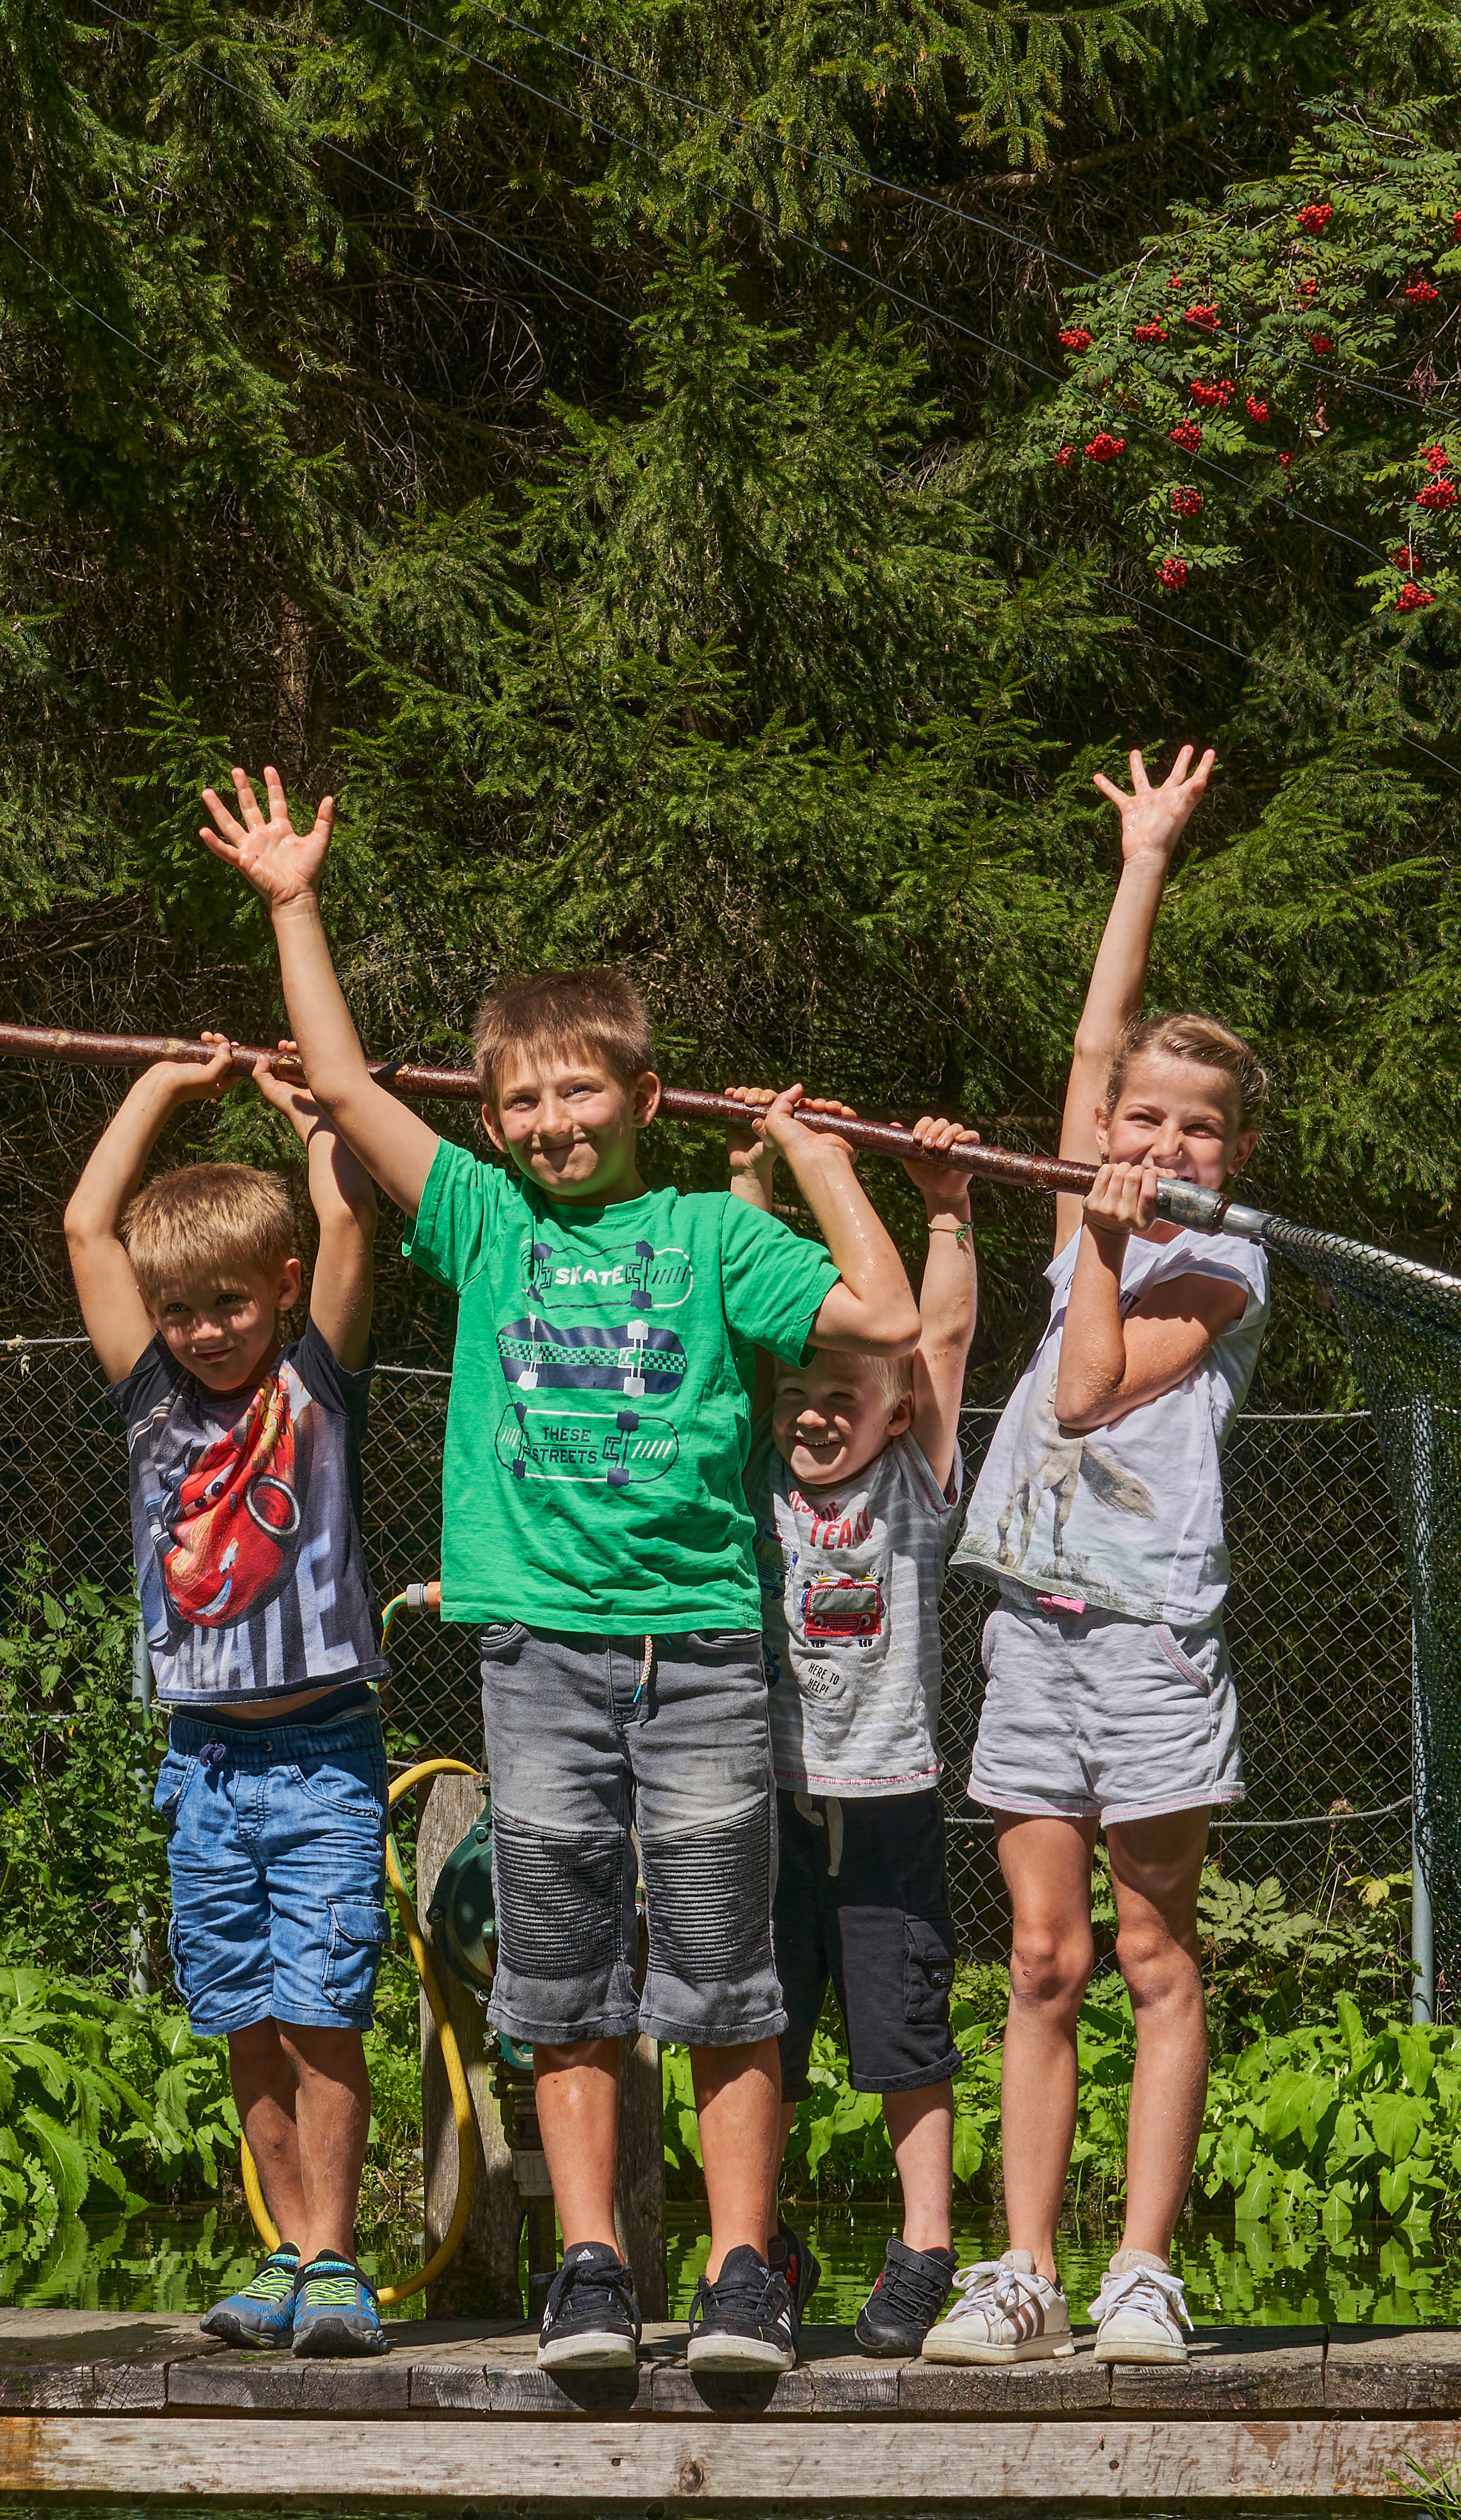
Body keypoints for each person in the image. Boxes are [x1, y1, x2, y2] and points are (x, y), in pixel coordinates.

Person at [198, 764, 921, 2378]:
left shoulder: (713, 1239)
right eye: (520, 1103)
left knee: (723, 1967)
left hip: (703, 1651)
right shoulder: (481, 1220)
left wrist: (813, 1158)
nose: (550, 1125)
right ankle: (588, 2267)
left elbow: (879, 1317)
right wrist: (293, 899)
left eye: (579, 1094)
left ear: (644, 1097)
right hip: (537, 1653)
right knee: (560, 1967)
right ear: (491, 1122)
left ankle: (741, 2273)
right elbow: (337, 1080)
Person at [926, 744, 1271, 2370]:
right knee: (1039, 1955)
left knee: (1148, 1949)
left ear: (1233, 1152)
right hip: (1032, 1627)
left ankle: (1141, 2267)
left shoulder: (1223, 1265)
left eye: (1200, 1126)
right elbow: (1089, 1040)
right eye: (1143, 1117)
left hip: (1150, 1638)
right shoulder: (1092, 1210)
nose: (1166, 1138)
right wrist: (1143, 857)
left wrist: (1116, 1233)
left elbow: (1082, 1390)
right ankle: (1020, 2269)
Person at [60, 1034, 397, 2359]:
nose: (204, 1330)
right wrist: (161, 1087)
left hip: (322, 1754)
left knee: (321, 2013)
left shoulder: (313, 1389)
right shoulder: (150, 1404)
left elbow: (347, 1217)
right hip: (201, 1763)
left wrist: (313, 1117)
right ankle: (285, 2244)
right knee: (243, 2017)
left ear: (281, 1291)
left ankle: (336, 2256)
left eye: (229, 1304)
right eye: (180, 1309)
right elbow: (87, 1225)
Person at [727, 1094, 985, 2358]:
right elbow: (734, 1324)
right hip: (770, 1806)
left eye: (843, 1394)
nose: (815, 1414)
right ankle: (762, 2249)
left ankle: (925, 2245)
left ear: (892, 1412)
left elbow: (938, 1337)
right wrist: (750, 1176)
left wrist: (944, 1212)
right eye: (799, 1395)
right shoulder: (752, 1484)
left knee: (902, 2032)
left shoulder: (913, 1487)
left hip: (885, 1810)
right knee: (763, 2030)